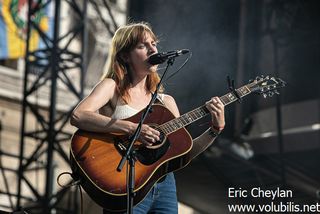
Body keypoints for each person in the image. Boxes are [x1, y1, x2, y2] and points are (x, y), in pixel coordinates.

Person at [70, 22, 225, 214]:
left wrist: (214, 130)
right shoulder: (112, 87)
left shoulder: (166, 102)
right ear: (125, 55)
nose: (153, 49)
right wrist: (132, 129)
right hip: (125, 183)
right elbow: (78, 115)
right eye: (143, 46)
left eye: (154, 43)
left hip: (165, 186)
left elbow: (183, 155)